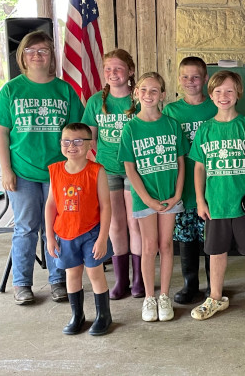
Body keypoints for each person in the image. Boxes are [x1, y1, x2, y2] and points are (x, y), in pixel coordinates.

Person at [0, 30, 84, 305]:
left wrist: (76, 166)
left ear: (51, 56)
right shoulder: (12, 89)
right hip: (23, 171)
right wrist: (6, 170)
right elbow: (1, 133)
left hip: (58, 172)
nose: (37, 55)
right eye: (31, 51)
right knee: (26, 227)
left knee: (55, 226)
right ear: (23, 57)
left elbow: (77, 131)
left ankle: (57, 280)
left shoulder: (64, 90)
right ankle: (22, 283)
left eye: (43, 50)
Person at [190, 71, 245, 322]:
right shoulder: (205, 130)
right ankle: (215, 297)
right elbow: (199, 167)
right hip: (216, 203)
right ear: (211, 95)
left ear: (238, 93)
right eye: (218, 91)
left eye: (229, 91)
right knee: (216, 251)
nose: (223, 96)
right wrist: (199, 199)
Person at [118, 72, 187, 322]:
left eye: (154, 90)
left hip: (170, 195)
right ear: (136, 93)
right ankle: (149, 297)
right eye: (144, 90)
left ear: (163, 95)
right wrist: (146, 199)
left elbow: (181, 163)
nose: (149, 95)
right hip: (145, 197)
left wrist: (177, 194)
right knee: (149, 246)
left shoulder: (171, 124)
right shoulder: (131, 128)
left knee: (167, 245)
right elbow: (130, 169)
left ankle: (165, 296)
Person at [82, 49, 143, 300]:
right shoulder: (97, 101)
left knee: (134, 222)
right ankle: (121, 280)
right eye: (108, 69)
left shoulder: (139, 99)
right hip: (107, 170)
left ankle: (139, 278)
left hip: (136, 170)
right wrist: (91, 164)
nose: (113, 74)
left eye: (118, 69)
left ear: (130, 71)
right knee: (115, 225)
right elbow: (88, 138)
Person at [45, 123, 114, 336]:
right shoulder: (55, 170)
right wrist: (50, 237)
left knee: (95, 273)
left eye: (77, 141)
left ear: (89, 144)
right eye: (66, 141)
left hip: (91, 233)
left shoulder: (96, 171)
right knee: (72, 274)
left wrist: (102, 238)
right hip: (65, 234)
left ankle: (104, 315)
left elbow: (106, 206)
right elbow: (51, 205)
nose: (71, 146)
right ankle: (78, 315)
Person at [163, 57, 216, 304]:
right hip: (182, 186)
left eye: (195, 77)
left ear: (205, 79)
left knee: (211, 237)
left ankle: (213, 284)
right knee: (186, 236)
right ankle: (190, 283)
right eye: (185, 76)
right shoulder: (171, 111)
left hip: (213, 185)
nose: (190, 82)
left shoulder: (216, 106)